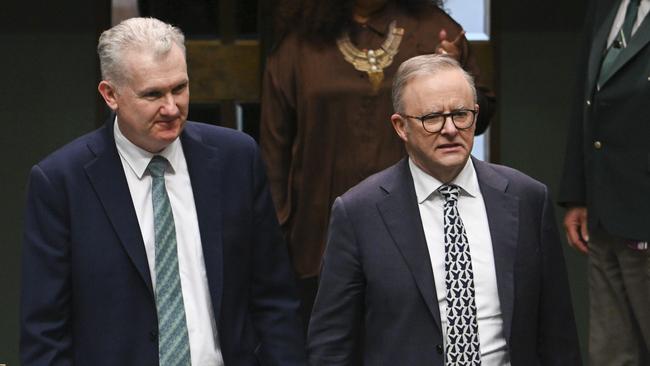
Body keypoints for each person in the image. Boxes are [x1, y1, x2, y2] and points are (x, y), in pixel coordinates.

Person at [20, 17, 306, 366]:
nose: (172, 108)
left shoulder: (236, 159)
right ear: (110, 95)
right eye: (153, 94)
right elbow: (45, 331)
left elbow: (274, 298)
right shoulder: (61, 182)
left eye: (180, 88)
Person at [308, 54, 581, 365]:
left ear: (475, 117)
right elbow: (331, 345)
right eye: (432, 118)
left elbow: (559, 336)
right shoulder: (359, 212)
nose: (450, 129)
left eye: (461, 114)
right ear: (401, 127)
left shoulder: (527, 198)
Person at [260, 0, 496, 323]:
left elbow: (479, 114)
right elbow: (275, 149)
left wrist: (453, 76)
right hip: (319, 235)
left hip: (419, 232)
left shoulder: (434, 31)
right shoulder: (299, 43)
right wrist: (277, 232)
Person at [559, 0, 650, 364]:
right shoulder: (605, 6)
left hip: (644, 209)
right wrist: (578, 194)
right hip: (604, 211)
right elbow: (587, 96)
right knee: (611, 352)